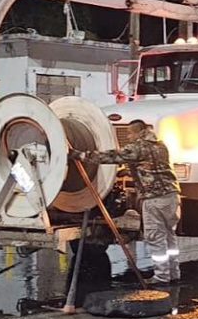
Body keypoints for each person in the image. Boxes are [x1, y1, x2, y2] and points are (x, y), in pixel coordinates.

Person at [74, 120, 181, 284]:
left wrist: (81, 155)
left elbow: (112, 156)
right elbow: (151, 167)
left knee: (155, 237)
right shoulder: (160, 145)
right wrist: (130, 170)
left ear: (138, 132)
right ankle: (174, 272)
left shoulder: (138, 147)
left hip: (154, 198)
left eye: (130, 133)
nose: (129, 137)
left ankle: (161, 276)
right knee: (169, 235)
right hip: (172, 196)